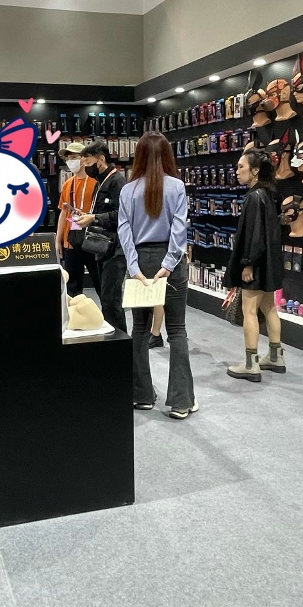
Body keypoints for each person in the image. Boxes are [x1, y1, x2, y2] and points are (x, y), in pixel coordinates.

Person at [117, 132, 195, 419]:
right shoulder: (177, 186)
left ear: (138, 155)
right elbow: (179, 228)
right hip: (169, 261)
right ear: (167, 155)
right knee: (177, 329)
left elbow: (124, 230)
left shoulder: (128, 190)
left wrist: (134, 267)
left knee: (139, 328)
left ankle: (141, 395)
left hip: (140, 259)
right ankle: (181, 401)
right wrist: (170, 263)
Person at [225, 149, 285, 381]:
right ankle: (275, 356)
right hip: (269, 262)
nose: (237, 171)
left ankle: (251, 364)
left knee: (249, 310)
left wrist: (247, 264)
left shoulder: (253, 197)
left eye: (241, 166)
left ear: (255, 170)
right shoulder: (267, 194)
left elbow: (254, 235)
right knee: (269, 307)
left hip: (256, 264)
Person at [78, 139, 127, 333]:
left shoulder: (117, 182)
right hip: (103, 248)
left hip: (116, 249)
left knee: (111, 299)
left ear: (100, 160)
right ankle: (113, 337)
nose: (85, 167)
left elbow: (123, 214)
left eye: (88, 162)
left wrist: (95, 218)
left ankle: (120, 340)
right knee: (107, 298)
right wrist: (89, 216)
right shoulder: (101, 182)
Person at [56, 140, 97, 297]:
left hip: (93, 240)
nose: (70, 161)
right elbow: (63, 213)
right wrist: (58, 240)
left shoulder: (96, 182)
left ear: (84, 159)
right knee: (72, 287)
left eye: (74, 157)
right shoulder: (67, 184)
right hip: (71, 241)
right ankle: (75, 312)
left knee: (100, 282)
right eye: (68, 158)